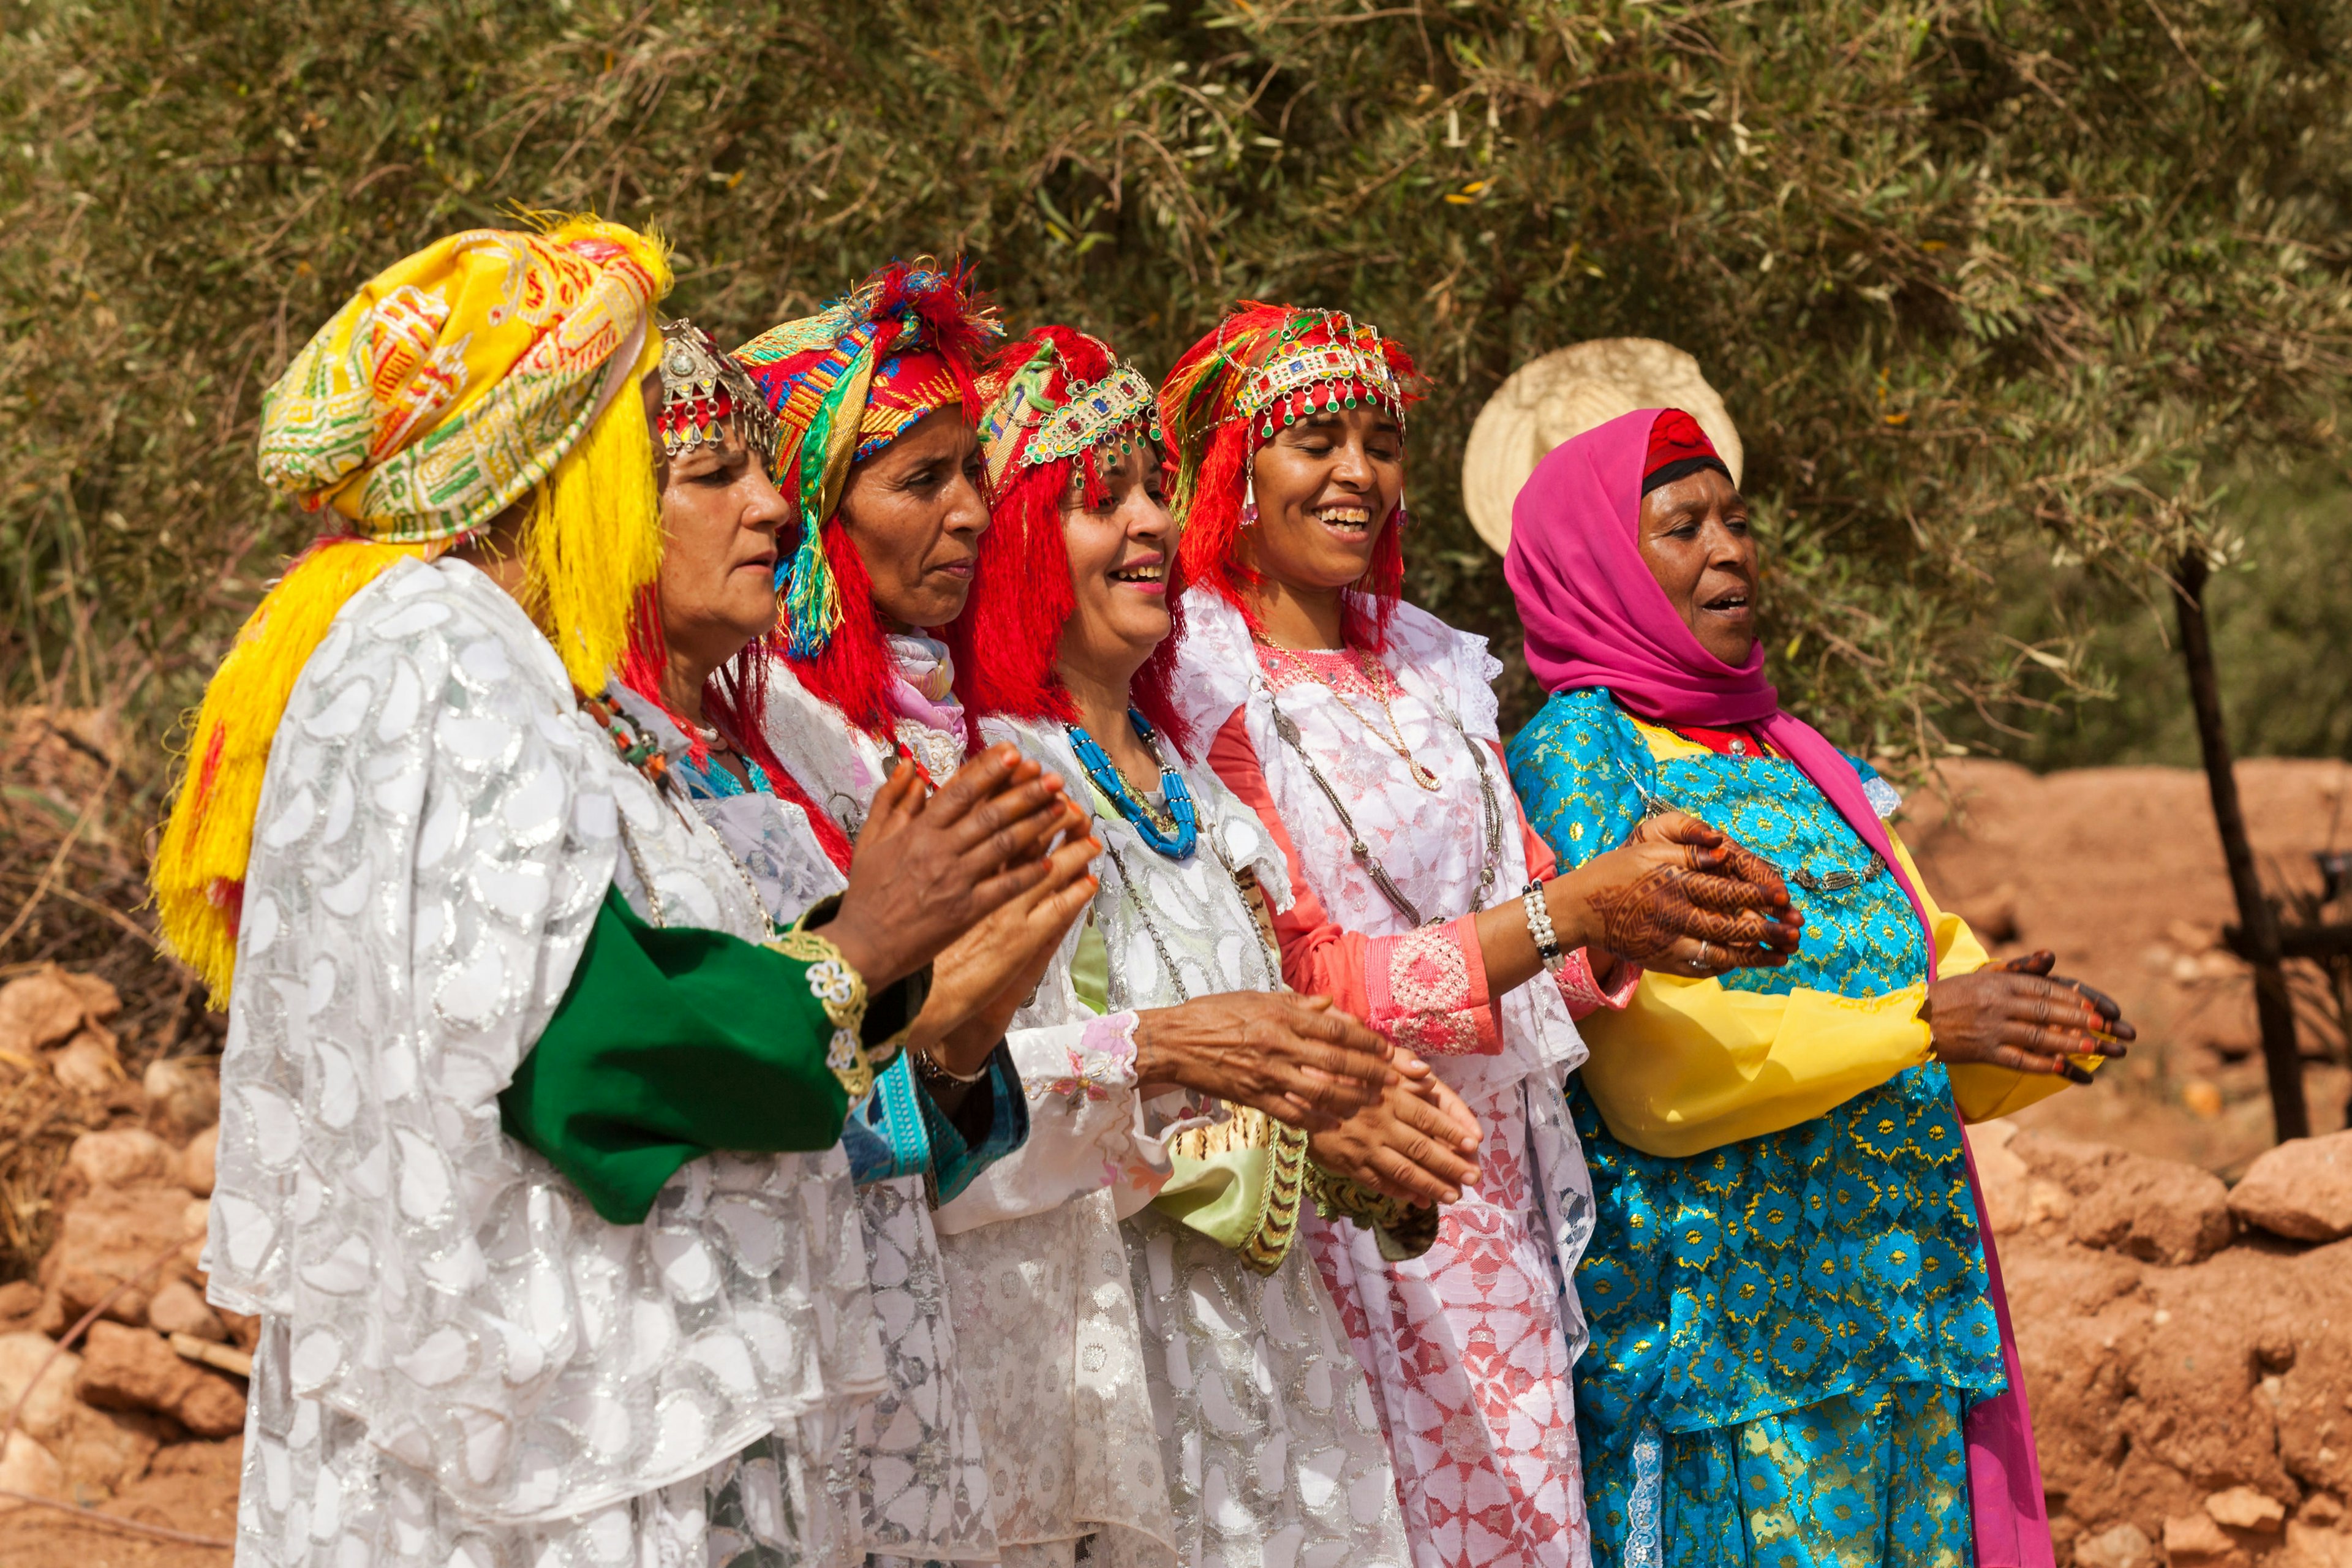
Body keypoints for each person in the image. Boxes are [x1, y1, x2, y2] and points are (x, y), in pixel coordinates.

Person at [153, 222, 1070, 1567]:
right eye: (693, 465)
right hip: (554, 1448)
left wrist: (915, 978)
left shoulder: (520, 668)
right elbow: (579, 1055)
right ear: (563, 464)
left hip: (631, 1413)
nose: (770, 508)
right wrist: (864, 945)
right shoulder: (437, 645)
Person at [1158, 305, 1800, 1568]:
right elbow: (1300, 973)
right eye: (1314, 440)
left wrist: (1645, 920)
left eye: (1381, 441)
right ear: (1234, 474)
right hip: (1341, 1180)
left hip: (1486, 1190)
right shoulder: (1198, 680)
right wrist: (1568, 914)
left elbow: (1538, 901)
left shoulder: (1438, 667)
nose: (1358, 473)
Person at [1501, 407, 2136, 1568]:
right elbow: (1654, 1063)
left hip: (1897, 1316)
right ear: (1596, 567)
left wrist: (2038, 1029)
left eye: (1738, 521)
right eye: (1682, 527)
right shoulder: (1583, 752)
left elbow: (1933, 961)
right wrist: (1924, 1025)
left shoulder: (1796, 753)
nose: (1730, 549)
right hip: (1727, 1344)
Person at [941, 325, 1504, 1568]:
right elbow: (970, 1109)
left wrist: (1346, 1128)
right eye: (1101, 501)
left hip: (1263, 1344)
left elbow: (1252, 1043)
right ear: (1025, 537)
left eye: (1156, 486)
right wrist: (1264, 1111)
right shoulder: (992, 777)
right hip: (1106, 1347)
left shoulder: (1197, 786)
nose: (1151, 522)